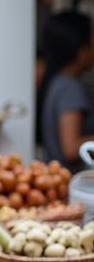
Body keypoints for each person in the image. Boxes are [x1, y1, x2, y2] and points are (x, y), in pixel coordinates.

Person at [37, 10, 94, 170]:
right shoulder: (70, 88)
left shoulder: (56, 80)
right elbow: (70, 148)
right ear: (80, 50)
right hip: (70, 181)